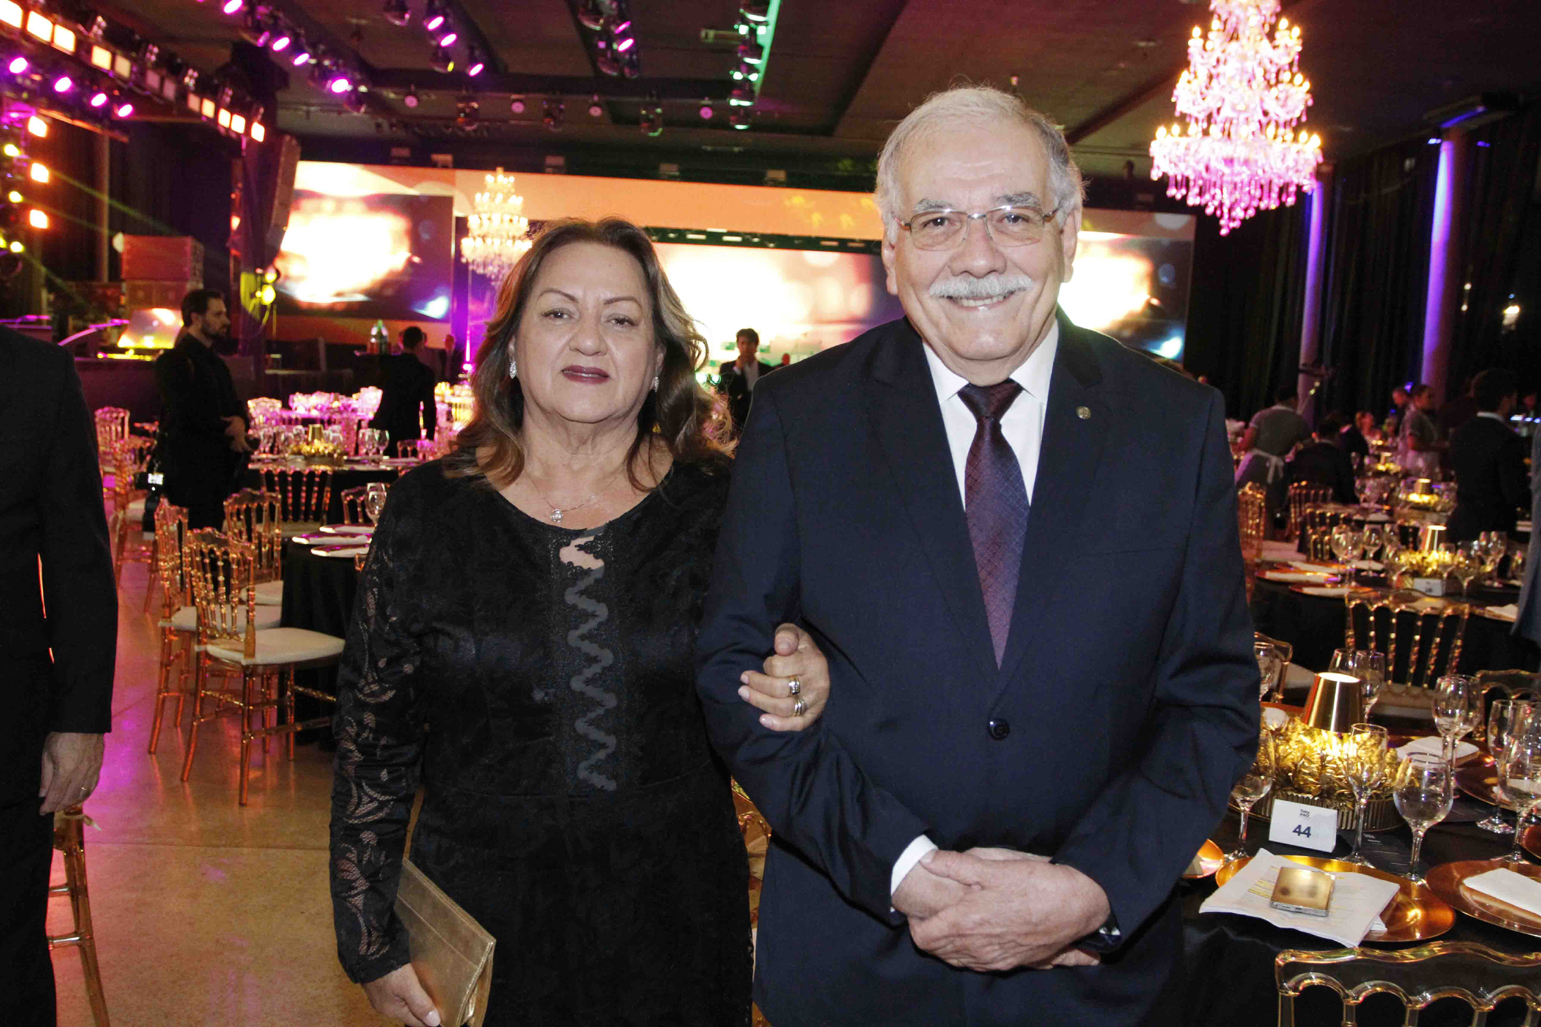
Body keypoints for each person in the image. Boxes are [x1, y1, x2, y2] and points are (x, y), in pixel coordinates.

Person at [697, 86, 1259, 1027]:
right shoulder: (801, 417)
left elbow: (1211, 698)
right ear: (892, 249)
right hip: (853, 963)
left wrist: (1090, 886)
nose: (978, 254)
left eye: (1012, 214)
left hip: (1093, 981)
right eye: (937, 220)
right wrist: (905, 870)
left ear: (1067, 233)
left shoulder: (1174, 424)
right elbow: (733, 668)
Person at [330, 218, 838, 1027]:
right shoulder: (429, 510)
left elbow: (809, 655)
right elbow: (373, 737)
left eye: (622, 318)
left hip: (677, 921)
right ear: (511, 345)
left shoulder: (725, 505)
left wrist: (810, 667)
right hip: (479, 924)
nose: (589, 338)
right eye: (559, 311)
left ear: (659, 358)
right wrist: (367, 936)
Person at [0, 327, 116, 1027]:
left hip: (6, 724)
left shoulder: (37, 377)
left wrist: (80, 721)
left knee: (8, 954)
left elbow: (78, 556)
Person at [154, 289, 248, 530]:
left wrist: (240, 421)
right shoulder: (173, 361)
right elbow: (185, 412)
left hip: (217, 471)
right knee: (192, 540)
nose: (226, 321)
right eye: (217, 315)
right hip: (188, 471)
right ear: (196, 318)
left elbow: (234, 404)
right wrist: (230, 428)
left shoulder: (216, 363)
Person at [1446, 369, 1530, 544]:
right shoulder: (1508, 439)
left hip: (1460, 522)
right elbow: (1514, 493)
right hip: (1493, 533)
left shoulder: (1459, 433)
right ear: (1505, 400)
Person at [1235, 386, 1310, 511]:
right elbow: (1309, 448)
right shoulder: (1300, 422)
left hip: (1254, 468)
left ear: (1277, 400)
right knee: (1269, 511)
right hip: (1278, 474)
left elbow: (1247, 444)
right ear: (1294, 400)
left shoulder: (1261, 415)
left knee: (1243, 508)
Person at [371, 325, 438, 450]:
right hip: (408, 429)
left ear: (402, 342)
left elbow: (377, 384)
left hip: (383, 424)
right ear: (420, 344)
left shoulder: (388, 365)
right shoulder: (425, 372)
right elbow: (429, 408)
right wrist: (430, 436)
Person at [1287, 413, 1358, 505]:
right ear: (1336, 435)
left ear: (1318, 434)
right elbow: (1348, 491)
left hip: (1303, 505)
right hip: (1332, 508)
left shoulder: (1302, 454)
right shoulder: (1341, 457)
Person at [715, 327, 775, 432]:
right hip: (735, 421)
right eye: (742, 343)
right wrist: (737, 370)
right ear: (738, 345)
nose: (746, 347)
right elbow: (722, 390)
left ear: (756, 346)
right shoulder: (727, 368)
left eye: (749, 343)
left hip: (761, 418)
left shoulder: (767, 370)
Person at [1397, 383, 1441, 477]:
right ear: (1417, 399)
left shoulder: (1424, 416)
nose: (1433, 400)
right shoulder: (1414, 416)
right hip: (1417, 466)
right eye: (1429, 397)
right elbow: (1413, 444)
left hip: (1424, 466)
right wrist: (1437, 447)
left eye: (1433, 397)